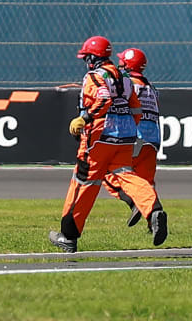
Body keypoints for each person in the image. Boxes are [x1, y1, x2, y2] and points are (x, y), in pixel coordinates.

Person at [49, 36, 168, 253]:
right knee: (127, 175)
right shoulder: (124, 77)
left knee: (83, 182)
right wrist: (130, 128)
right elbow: (136, 107)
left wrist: (84, 120)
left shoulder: (94, 76)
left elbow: (103, 99)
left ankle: (68, 236)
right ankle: (153, 210)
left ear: (93, 58)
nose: (86, 62)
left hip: (98, 138)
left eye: (87, 58)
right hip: (125, 138)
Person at [103, 47, 162, 228]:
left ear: (128, 64)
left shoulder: (126, 83)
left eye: (122, 61)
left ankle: (132, 202)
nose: (119, 63)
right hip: (153, 140)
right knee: (146, 183)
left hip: (134, 136)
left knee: (107, 173)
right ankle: (155, 220)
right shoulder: (151, 87)